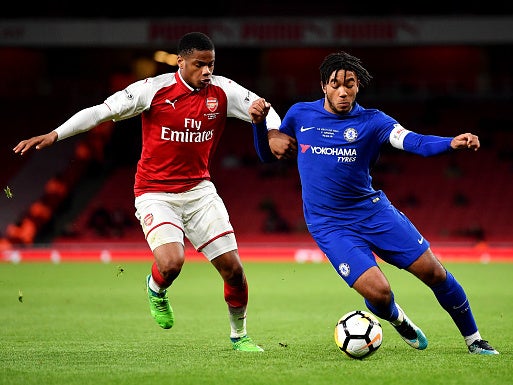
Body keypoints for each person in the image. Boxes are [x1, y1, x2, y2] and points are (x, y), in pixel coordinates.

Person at [13, 32, 291, 352]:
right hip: (155, 192)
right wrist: (56, 134)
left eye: (211, 65)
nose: (206, 71)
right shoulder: (153, 90)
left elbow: (263, 107)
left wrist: (271, 130)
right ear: (181, 62)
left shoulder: (223, 91)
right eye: (199, 65)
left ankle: (239, 335)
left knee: (234, 270)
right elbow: (102, 111)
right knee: (172, 262)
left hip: (200, 191)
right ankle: (156, 288)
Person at [255, 51, 499, 355]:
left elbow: (415, 142)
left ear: (358, 86)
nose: (343, 91)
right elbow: (268, 156)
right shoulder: (300, 115)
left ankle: (474, 340)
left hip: (373, 213)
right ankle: (397, 318)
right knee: (381, 293)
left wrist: (450, 142)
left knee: (435, 273)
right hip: (330, 225)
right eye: (335, 85)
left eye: (350, 84)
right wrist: (259, 127)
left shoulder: (374, 121)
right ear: (323, 86)